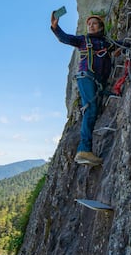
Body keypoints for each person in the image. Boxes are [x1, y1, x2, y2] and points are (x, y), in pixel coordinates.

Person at [50, 11, 125, 166]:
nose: (90, 26)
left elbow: (120, 44)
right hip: (87, 78)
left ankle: (86, 150)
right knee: (90, 110)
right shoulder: (83, 40)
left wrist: (128, 45)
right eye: (89, 24)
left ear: (100, 27)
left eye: (94, 23)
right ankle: (84, 149)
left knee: (94, 111)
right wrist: (56, 28)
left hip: (98, 83)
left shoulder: (106, 43)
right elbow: (66, 38)